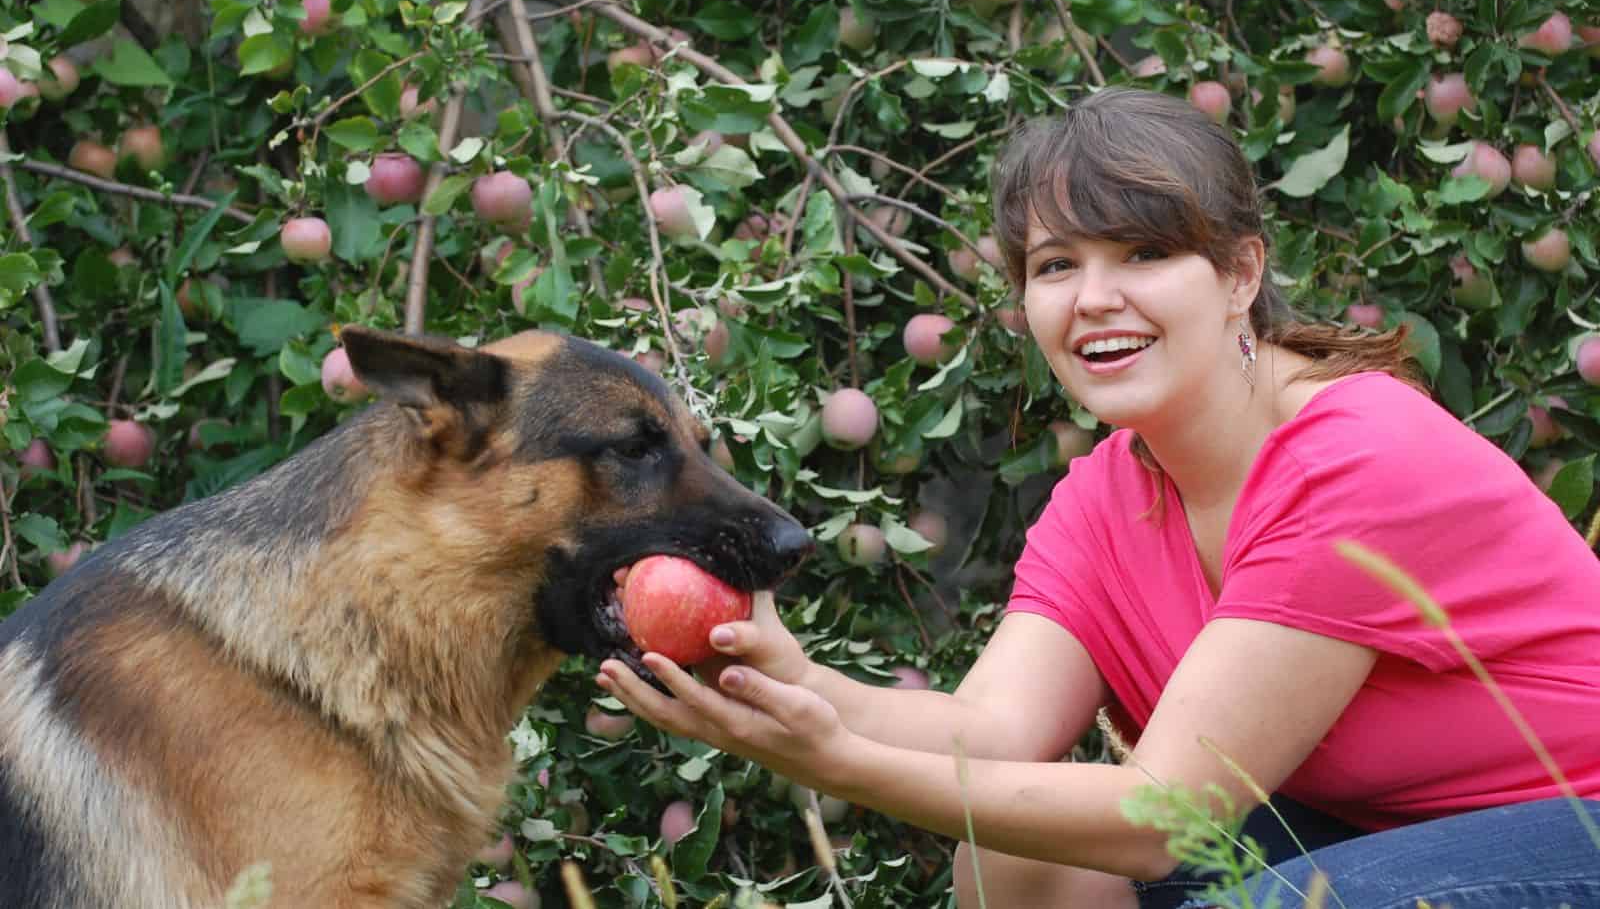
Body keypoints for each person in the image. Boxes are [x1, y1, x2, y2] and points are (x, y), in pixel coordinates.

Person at [597, 87, 1600, 908]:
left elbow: (1167, 818)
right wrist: (791, 682)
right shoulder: (1109, 495)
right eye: (1055, 265)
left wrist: (839, 765)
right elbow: (990, 736)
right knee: (1021, 859)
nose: (1092, 299)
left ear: (1240, 272)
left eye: (1144, 254)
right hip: (1402, 838)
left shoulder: (1354, 459)